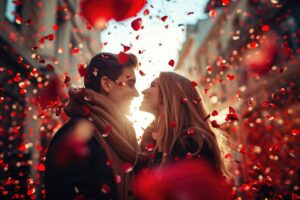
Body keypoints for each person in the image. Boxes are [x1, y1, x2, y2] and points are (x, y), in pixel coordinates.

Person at [45, 52, 142, 200]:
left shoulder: (122, 135)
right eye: (130, 84)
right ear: (106, 84)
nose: (136, 94)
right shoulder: (75, 136)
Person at [139, 71, 228, 176]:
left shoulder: (193, 144)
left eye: (153, 85)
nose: (143, 91)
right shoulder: (149, 140)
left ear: (169, 94)